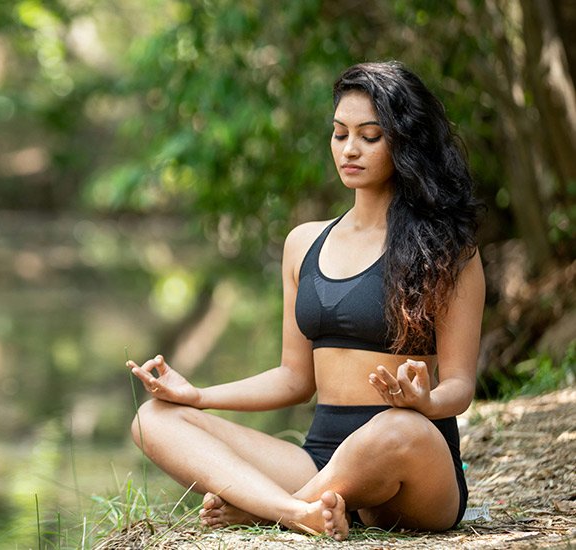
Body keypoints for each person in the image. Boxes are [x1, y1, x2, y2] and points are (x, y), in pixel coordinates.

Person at [126, 61, 485, 541]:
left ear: (405, 141)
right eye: (339, 134)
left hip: (412, 465)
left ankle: (270, 511)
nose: (349, 149)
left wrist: (424, 401)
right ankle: (300, 508)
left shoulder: (448, 249)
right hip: (320, 459)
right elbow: (294, 378)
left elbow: (460, 385)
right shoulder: (304, 243)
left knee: (394, 428)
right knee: (153, 420)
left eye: (370, 135)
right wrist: (198, 397)